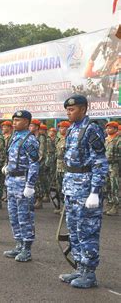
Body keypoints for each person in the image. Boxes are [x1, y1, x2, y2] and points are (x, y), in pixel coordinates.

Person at [59, 95, 108, 288]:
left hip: (86, 190)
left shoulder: (92, 129)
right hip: (72, 188)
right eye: (67, 110)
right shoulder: (72, 129)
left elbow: (99, 162)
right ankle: (79, 268)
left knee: (87, 231)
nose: (69, 113)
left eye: (72, 109)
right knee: (74, 230)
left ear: (83, 109)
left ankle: (89, 273)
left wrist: (95, 191)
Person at [2, 110, 39, 262]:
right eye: (14, 120)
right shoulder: (14, 137)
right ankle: (18, 244)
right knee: (14, 216)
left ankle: (27, 249)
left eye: (18, 120)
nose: (14, 122)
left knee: (25, 217)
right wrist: (6, 167)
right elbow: (11, 157)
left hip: (23, 182)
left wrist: (30, 185)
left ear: (26, 122)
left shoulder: (30, 140)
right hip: (11, 181)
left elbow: (34, 164)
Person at [103, 121, 120, 216]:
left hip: (114, 166)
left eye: (110, 128)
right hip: (105, 166)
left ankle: (115, 206)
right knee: (106, 186)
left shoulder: (118, 140)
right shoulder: (106, 139)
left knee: (115, 186)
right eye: (107, 128)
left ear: (115, 129)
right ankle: (109, 204)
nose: (108, 129)